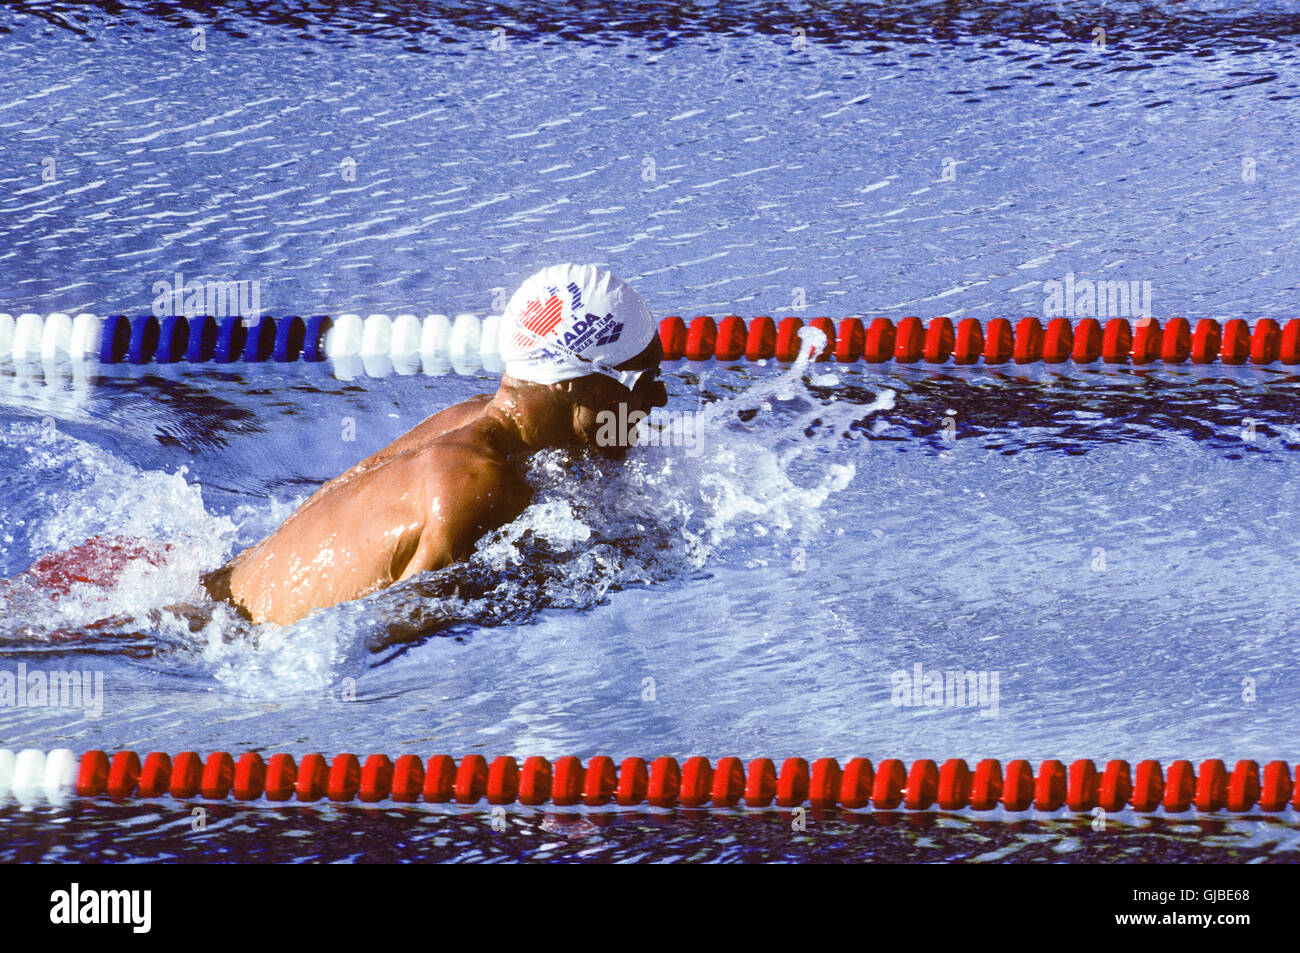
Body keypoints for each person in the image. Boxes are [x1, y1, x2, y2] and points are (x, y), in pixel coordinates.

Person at [201, 263, 668, 625]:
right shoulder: (478, 484)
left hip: (214, 589)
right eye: (642, 380)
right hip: (224, 641)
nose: (661, 398)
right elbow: (377, 634)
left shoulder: (471, 416)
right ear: (571, 382)